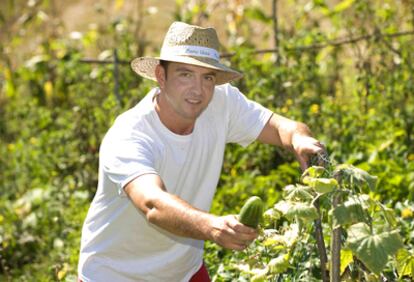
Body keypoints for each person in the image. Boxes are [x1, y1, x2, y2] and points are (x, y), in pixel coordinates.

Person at [78, 21, 325, 282]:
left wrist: (299, 138)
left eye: (207, 77)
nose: (198, 90)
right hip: (116, 275)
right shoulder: (130, 134)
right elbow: (152, 203)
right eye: (185, 74)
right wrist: (212, 226)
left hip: (183, 271)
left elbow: (280, 127)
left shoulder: (222, 102)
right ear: (161, 76)